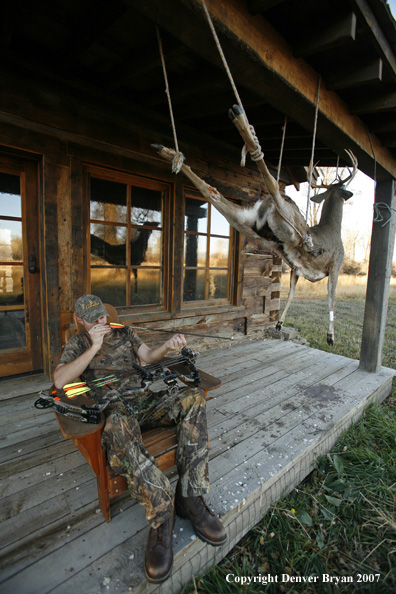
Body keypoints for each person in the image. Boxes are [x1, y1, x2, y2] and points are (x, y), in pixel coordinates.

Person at [53, 294, 226, 584]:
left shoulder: (124, 331)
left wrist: (167, 348)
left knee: (193, 398)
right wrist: (94, 346)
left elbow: (147, 357)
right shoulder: (79, 344)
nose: (101, 321)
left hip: (145, 401)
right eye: (93, 318)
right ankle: (161, 516)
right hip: (117, 410)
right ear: (80, 321)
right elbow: (60, 381)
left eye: (103, 315)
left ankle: (190, 497)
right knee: (116, 428)